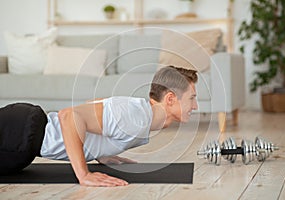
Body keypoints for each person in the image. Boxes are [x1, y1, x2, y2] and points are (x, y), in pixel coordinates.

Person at [0, 65, 198, 187]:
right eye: (192, 98)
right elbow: (69, 115)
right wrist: (84, 175)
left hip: (24, 138)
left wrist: (100, 149)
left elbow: (93, 105)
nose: (195, 106)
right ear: (171, 99)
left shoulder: (139, 113)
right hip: (19, 134)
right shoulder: (135, 117)